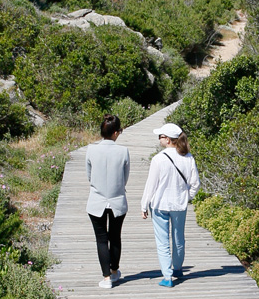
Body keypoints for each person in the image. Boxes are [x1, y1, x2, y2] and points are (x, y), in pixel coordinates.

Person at [141, 122, 200, 288]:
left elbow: (151, 185)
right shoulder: (188, 158)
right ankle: (178, 269)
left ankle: (167, 277)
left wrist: (144, 205)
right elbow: (195, 184)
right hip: (179, 205)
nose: (159, 139)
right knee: (178, 238)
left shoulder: (158, 159)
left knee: (162, 241)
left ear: (168, 139)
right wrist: (186, 197)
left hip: (160, 204)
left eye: (160, 136)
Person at [85, 113, 130, 289]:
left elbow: (89, 176)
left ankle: (106, 278)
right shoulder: (123, 151)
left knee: (101, 240)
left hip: (96, 200)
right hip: (117, 200)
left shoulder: (91, 149)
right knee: (115, 237)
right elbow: (125, 177)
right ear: (116, 133)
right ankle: (114, 271)